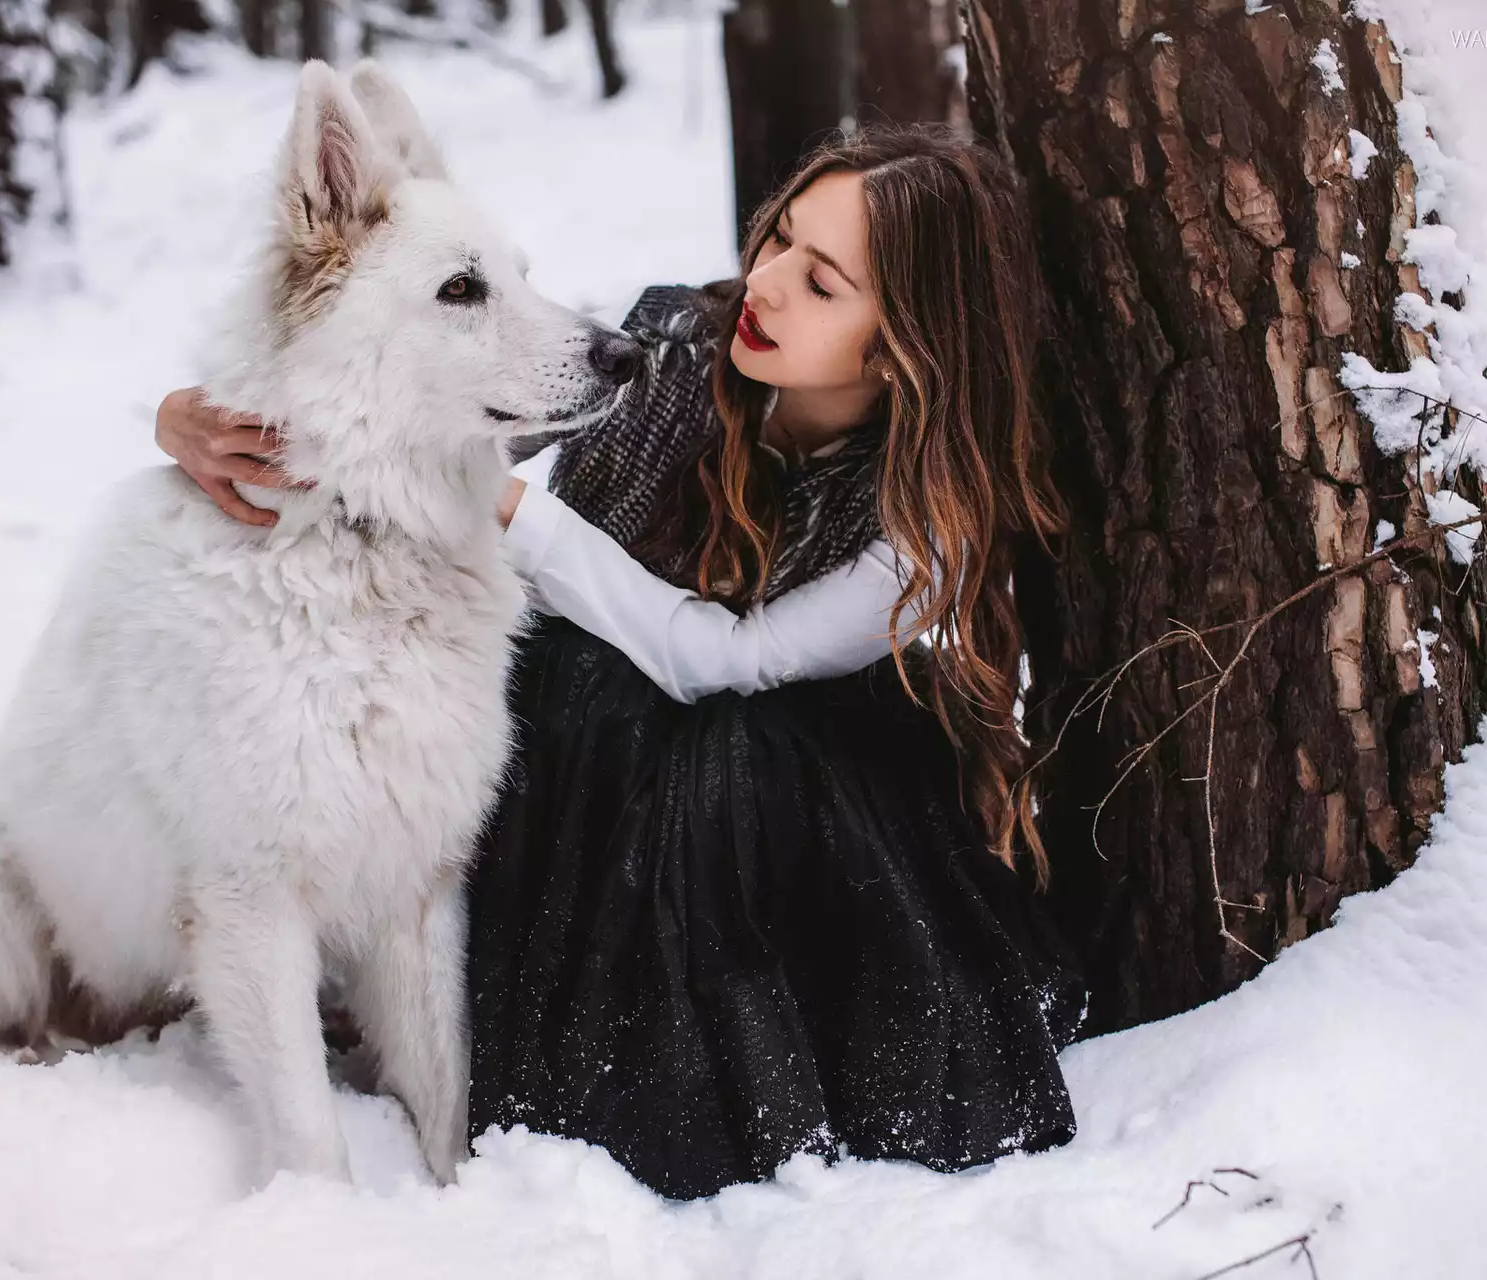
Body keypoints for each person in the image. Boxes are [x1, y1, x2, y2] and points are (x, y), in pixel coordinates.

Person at [154, 123, 1089, 1201]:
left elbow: (734, 661)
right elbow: (404, 399)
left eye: (820, 281)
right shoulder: (677, 344)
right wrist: (196, 417)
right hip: (577, 735)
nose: (768, 284)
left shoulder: (920, 526)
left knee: (726, 757)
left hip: (763, 792)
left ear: (900, 348)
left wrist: (516, 515)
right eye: (779, 238)